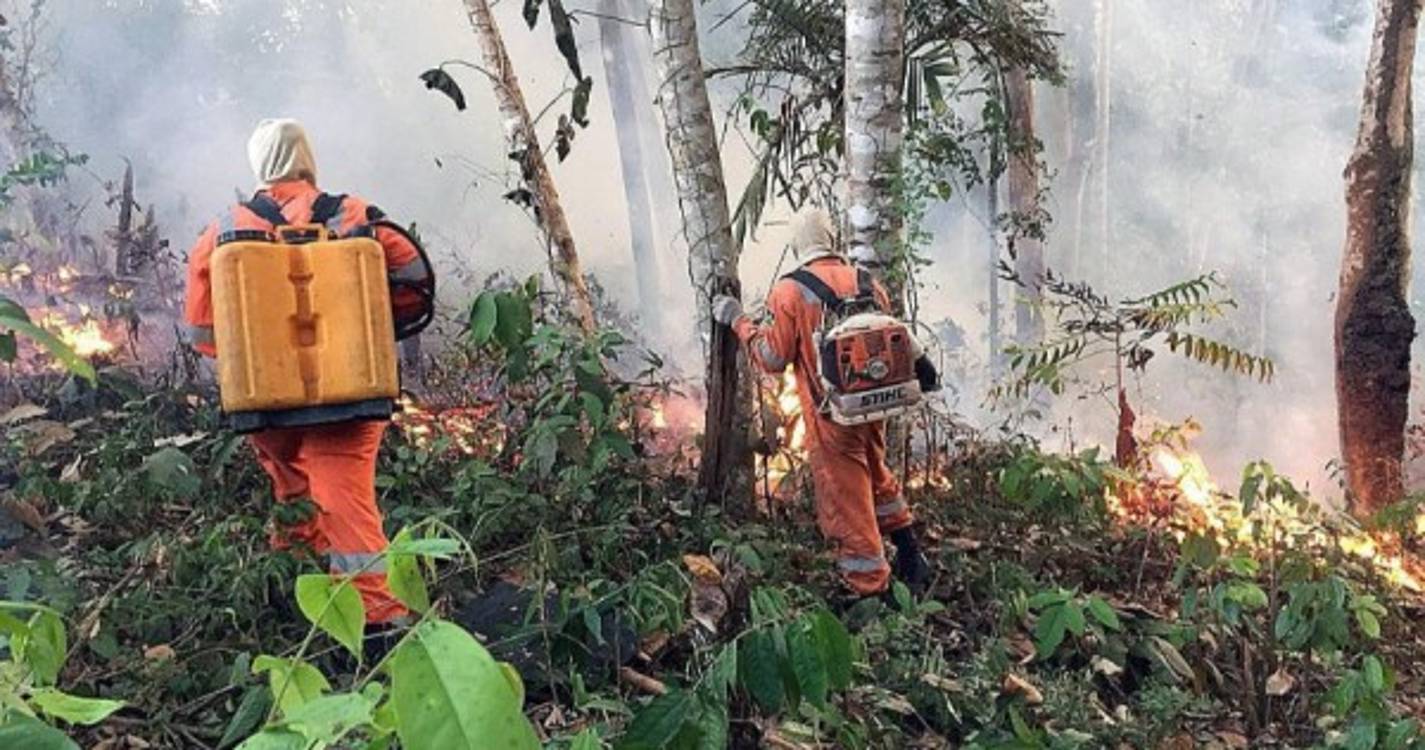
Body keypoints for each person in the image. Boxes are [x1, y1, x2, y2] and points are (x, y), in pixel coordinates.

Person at [183, 119, 430, 649]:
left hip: (265, 405)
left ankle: (297, 617)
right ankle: (380, 629)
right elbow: (415, 282)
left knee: (293, 498)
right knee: (347, 507)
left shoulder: (221, 230)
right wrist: (373, 322)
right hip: (352, 397)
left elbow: (204, 332)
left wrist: (264, 358)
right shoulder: (356, 215)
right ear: (307, 157)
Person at [712, 208, 937, 599]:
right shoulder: (867, 282)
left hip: (832, 414)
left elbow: (772, 358)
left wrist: (738, 322)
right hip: (874, 403)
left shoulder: (790, 291)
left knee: (846, 498)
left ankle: (871, 590)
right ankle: (911, 554)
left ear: (796, 244)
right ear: (831, 239)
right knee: (875, 472)